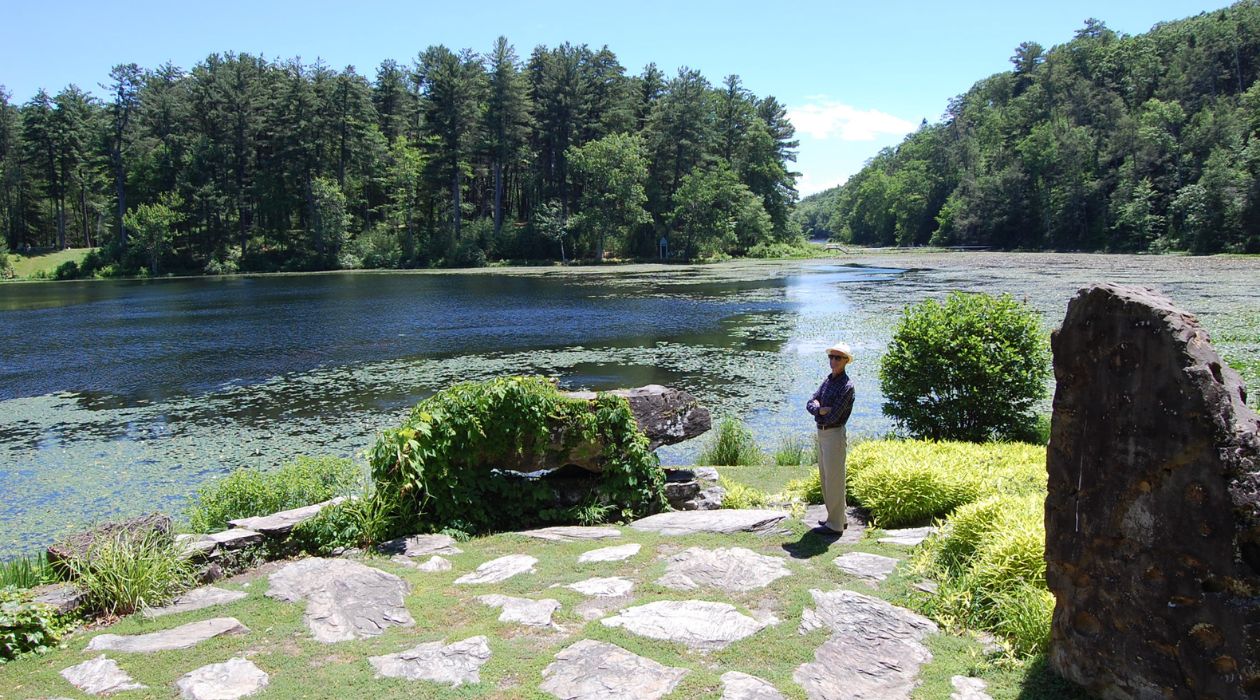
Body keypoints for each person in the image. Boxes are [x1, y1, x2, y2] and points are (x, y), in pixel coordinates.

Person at [806, 342, 855, 534]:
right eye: (831, 357)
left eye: (837, 358)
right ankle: (837, 519)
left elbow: (834, 416)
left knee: (834, 479)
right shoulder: (828, 380)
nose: (833, 361)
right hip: (823, 432)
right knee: (826, 477)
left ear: (846, 361)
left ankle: (835, 526)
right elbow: (811, 401)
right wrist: (820, 410)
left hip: (834, 433)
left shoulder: (847, 386)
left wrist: (820, 411)